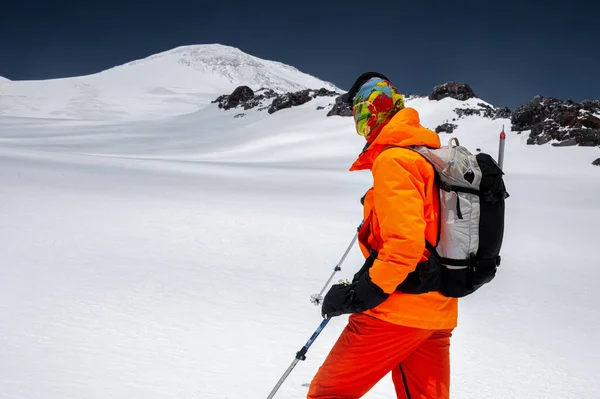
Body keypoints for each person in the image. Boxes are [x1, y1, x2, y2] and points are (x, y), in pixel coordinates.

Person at [307, 72, 458, 399]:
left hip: (396, 312)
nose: (359, 125)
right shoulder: (431, 158)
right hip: (439, 312)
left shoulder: (394, 160)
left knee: (327, 395)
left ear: (370, 114)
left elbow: (405, 245)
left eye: (360, 115)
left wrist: (361, 294)